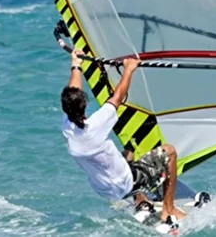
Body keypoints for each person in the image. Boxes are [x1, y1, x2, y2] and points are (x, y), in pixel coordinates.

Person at [61, 49, 185, 227]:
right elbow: (117, 97)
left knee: (128, 154)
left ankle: (139, 199)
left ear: (65, 109)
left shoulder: (67, 127)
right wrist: (128, 69)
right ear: (84, 105)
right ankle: (168, 209)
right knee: (169, 152)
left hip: (104, 190)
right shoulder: (95, 125)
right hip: (125, 183)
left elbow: (74, 92)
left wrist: (76, 65)